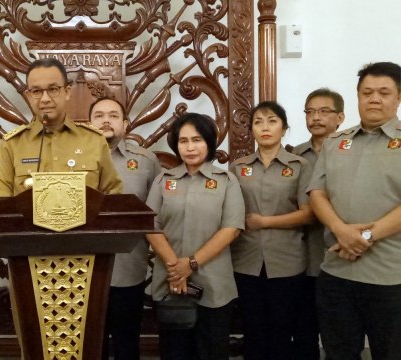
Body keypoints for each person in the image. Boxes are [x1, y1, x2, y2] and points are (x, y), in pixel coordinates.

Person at [307, 61, 401, 359]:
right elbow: (317, 193)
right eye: (367, 92)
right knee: (338, 352)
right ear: (358, 96)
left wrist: (366, 236)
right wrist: (340, 230)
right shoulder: (336, 142)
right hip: (336, 272)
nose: (374, 99)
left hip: (389, 276)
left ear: (398, 97)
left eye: (384, 92)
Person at [146, 113, 245, 360]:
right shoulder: (163, 180)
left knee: (212, 351)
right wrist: (176, 268)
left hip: (213, 284)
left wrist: (190, 264)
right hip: (171, 283)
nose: (190, 147)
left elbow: (231, 228)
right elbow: (150, 224)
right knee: (175, 352)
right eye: (183, 141)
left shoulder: (226, 181)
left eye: (197, 140)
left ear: (209, 143)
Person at [229, 101, 314, 360]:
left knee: (282, 328)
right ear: (251, 129)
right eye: (258, 122)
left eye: (272, 121)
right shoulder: (238, 167)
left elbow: (309, 213)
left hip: (286, 260)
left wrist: (265, 222)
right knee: (252, 328)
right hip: (246, 259)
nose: (265, 127)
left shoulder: (300, 165)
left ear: (284, 128)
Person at [89, 97, 162, 360]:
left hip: (128, 265)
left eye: (113, 115)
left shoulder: (145, 160)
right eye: (98, 115)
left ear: (125, 124)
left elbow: (156, 209)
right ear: (89, 123)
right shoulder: (74, 158)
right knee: (90, 343)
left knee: (127, 340)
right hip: (85, 266)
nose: (106, 120)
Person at [0, 58, 122, 196]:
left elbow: (113, 196)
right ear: (29, 96)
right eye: (36, 91)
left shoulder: (94, 141)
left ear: (67, 92)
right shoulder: (12, 145)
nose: (45, 99)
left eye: (53, 89)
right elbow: (0, 205)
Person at [291, 88, 345, 360]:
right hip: (305, 258)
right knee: (304, 331)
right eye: (310, 112)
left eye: (324, 111)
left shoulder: (351, 153)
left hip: (344, 254)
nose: (316, 118)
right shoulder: (294, 157)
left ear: (340, 117)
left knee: (341, 334)